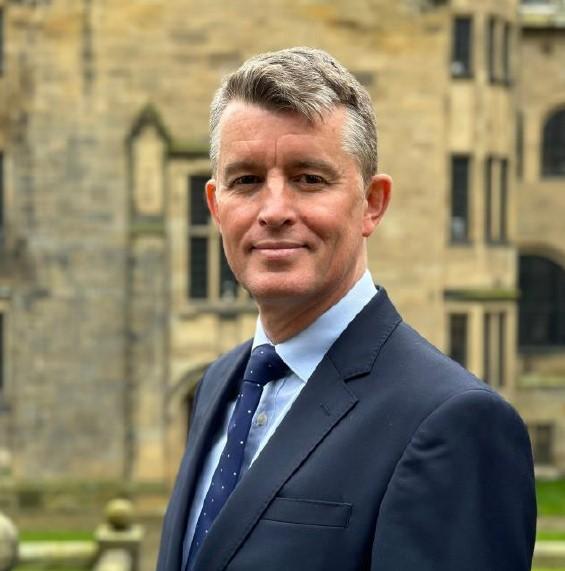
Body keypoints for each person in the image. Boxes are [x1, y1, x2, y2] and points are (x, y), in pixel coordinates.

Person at [156, 47, 536, 571]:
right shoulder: (222, 382)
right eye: (245, 181)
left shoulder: (454, 421)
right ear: (216, 206)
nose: (274, 212)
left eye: (309, 178)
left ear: (372, 203)